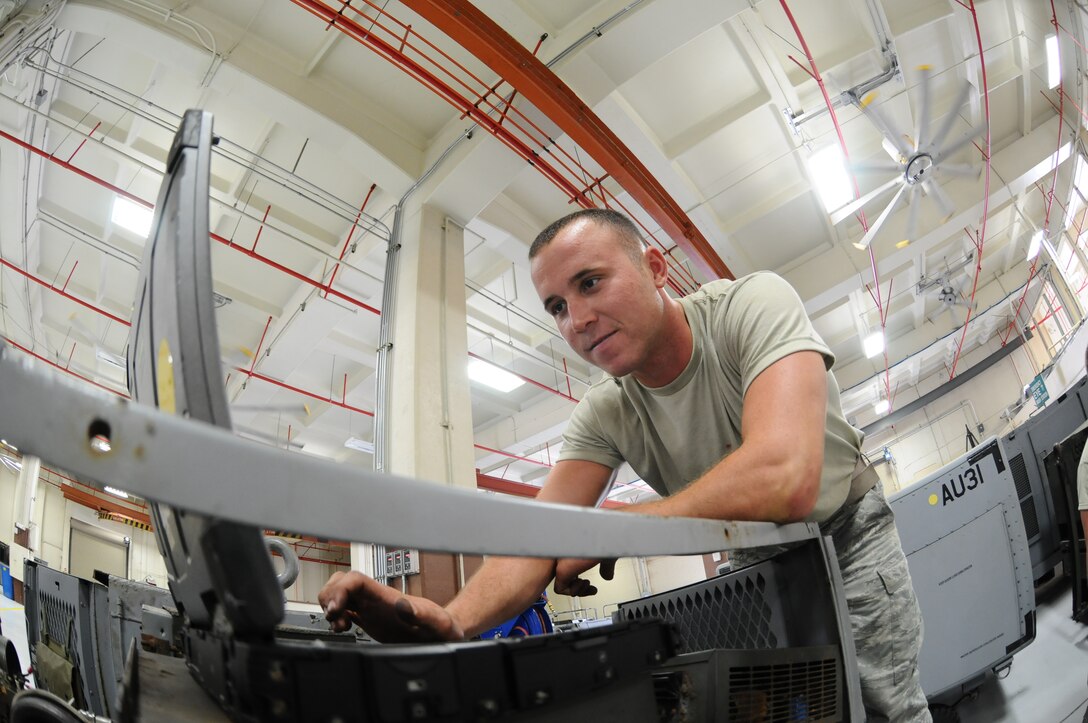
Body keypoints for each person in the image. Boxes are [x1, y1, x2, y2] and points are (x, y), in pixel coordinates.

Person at [320, 208, 931, 721]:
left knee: (884, 710)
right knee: (792, 713)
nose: (577, 320)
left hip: (844, 538)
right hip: (754, 562)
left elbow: (786, 477)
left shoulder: (750, 306)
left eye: (590, 283)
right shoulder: (604, 411)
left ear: (655, 269)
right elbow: (542, 539)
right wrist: (450, 622)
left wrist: (619, 530)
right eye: (557, 307)